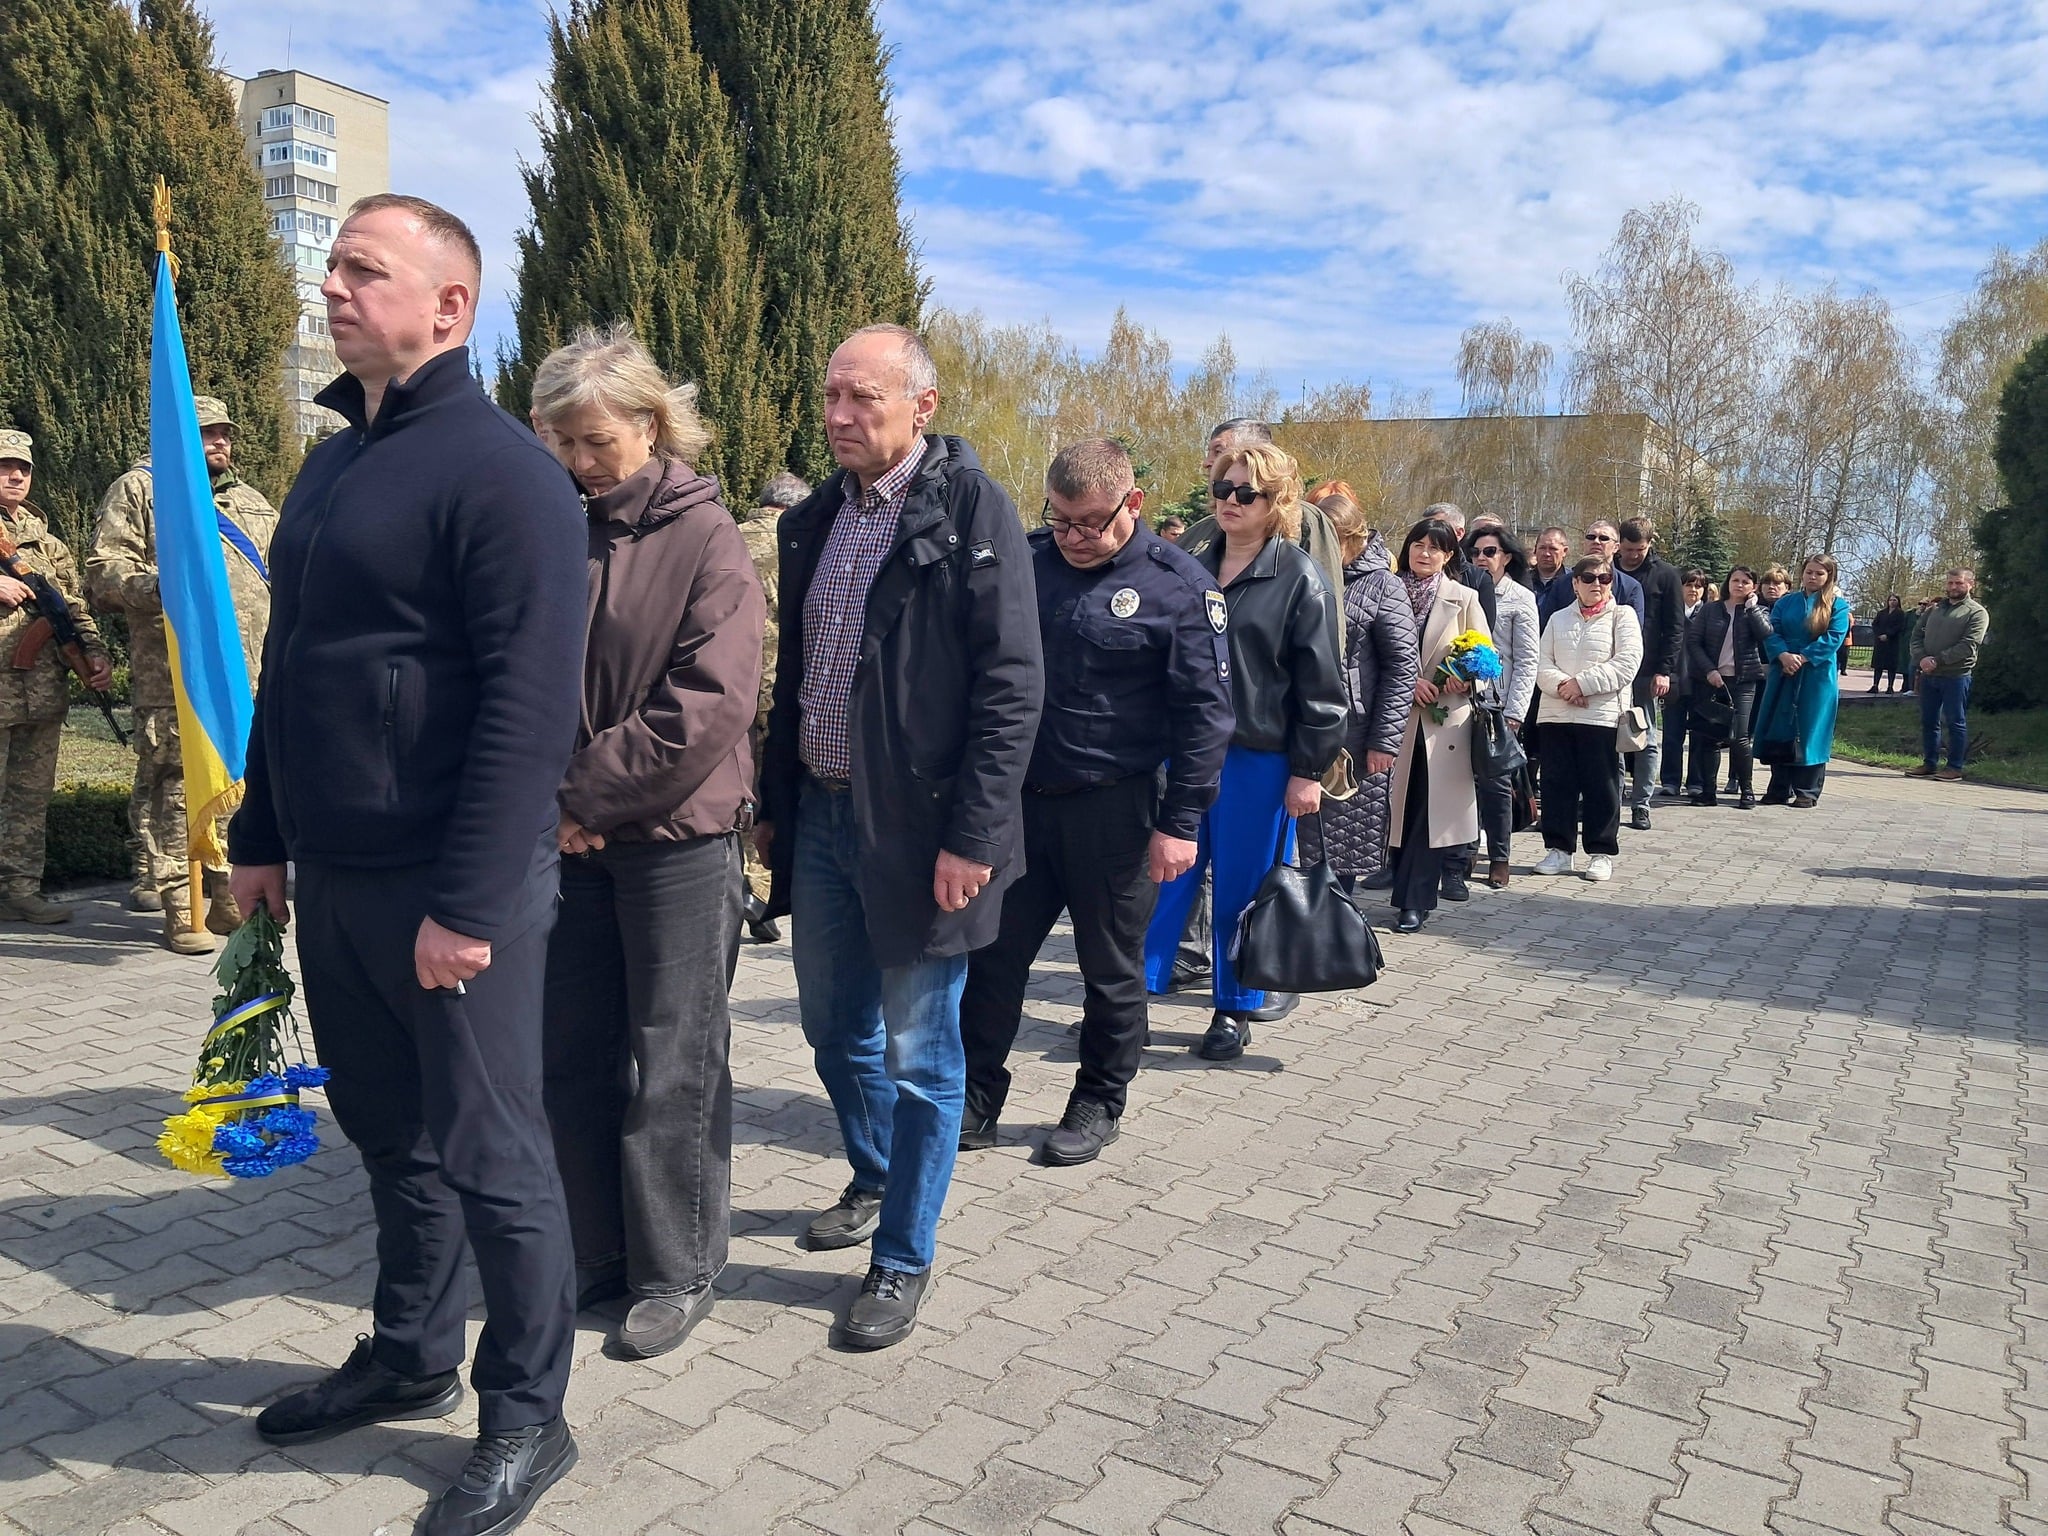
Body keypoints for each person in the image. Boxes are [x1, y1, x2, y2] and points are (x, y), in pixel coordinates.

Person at [227, 195, 587, 1535]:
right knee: (391, 1136)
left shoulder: (503, 474)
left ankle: (529, 1412)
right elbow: (293, 664)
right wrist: (262, 832)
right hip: (338, 875)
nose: (330, 286)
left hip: (454, 888)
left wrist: (470, 903)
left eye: (362, 269)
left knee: (495, 1155)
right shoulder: (332, 468)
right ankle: (410, 1353)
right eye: (331, 266)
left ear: (449, 306)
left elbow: (528, 708)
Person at [755, 324, 1043, 1351]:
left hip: (926, 833)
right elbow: (796, 679)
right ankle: (875, 1175)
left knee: (923, 1054)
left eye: (862, 398)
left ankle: (903, 1254)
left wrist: (974, 835)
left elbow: (1012, 686)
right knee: (834, 1028)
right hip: (823, 814)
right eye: (831, 395)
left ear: (921, 407)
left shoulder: (970, 510)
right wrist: (773, 800)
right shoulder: (815, 520)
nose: (838, 415)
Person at [528, 324, 765, 1361]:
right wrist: (549, 804)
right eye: (562, 441)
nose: (580, 461)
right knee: (572, 1053)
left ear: (650, 424)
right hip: (568, 841)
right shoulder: (548, 527)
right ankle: (596, 1249)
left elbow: (707, 703)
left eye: (596, 440)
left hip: (676, 841)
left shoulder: (706, 536)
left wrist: (583, 796)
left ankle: (677, 1267)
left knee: (675, 1058)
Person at [957, 440, 1232, 1164]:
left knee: (1110, 969)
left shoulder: (1178, 586)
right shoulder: (1026, 562)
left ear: (1132, 504)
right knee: (991, 960)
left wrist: (1181, 823)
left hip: (1116, 810)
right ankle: (976, 1097)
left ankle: (1099, 1099)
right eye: (1061, 519)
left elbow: (1206, 717)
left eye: (1090, 522)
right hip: (1019, 808)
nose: (1073, 536)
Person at [1142, 441, 1345, 1058]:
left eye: (1245, 492)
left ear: (1276, 501)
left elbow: (1322, 685)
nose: (1229, 501)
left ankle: (1234, 1007)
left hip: (1259, 757)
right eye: (1222, 489)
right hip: (1184, 749)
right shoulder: (1189, 565)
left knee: (1243, 886)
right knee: (1163, 878)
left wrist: (1308, 770)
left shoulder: (1299, 578)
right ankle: (1129, 1000)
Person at [88, 395, 278, 953]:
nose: (221, 442)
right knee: (175, 787)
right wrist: (160, 587)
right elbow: (103, 572)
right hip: (177, 676)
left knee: (237, 781)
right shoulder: (142, 490)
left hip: (246, 675)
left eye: (225, 432)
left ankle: (225, 888)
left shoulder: (250, 502)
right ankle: (180, 904)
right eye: (208, 432)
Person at [0, 430, 113, 924]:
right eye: (4, 466)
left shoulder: (47, 543)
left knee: (29, 800)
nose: (15, 475)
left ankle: (20, 890)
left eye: (23, 468)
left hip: (41, 693)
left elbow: (73, 607)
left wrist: (95, 655)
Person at [1303, 483, 1417, 894]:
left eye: (1328, 540)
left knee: (1341, 849)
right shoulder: (1303, 573)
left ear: (1352, 538)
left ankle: (1336, 926)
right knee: (1299, 850)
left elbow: (1402, 667)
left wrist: (1384, 741)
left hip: (1355, 735)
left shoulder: (1383, 585)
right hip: (1301, 728)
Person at [1384, 517, 1490, 933]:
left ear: (1448, 556)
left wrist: (1464, 677)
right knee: (1394, 806)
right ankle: (1393, 878)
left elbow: (1485, 657)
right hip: (1392, 717)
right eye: (1418, 545)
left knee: (1429, 812)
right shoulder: (1387, 588)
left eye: (1434, 548)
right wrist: (1406, 682)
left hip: (1440, 722)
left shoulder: (1463, 597)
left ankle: (1415, 900)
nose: (1424, 554)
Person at [1533, 557, 1643, 880]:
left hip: (1601, 717)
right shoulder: (1557, 618)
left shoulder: (1623, 616)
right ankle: (1559, 850)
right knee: (1556, 784)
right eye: (1589, 578)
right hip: (1556, 714)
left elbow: (1627, 662)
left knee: (1601, 786)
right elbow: (1541, 663)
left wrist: (1582, 684)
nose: (1597, 584)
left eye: (1604, 578)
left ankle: (1600, 852)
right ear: (1575, 583)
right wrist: (1563, 687)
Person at [738, 468, 810, 944]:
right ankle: (757, 897)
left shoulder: (728, 535)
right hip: (777, 694)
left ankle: (740, 888)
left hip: (725, 690)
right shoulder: (796, 542)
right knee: (769, 797)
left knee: (735, 790)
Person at [1175, 418, 1346, 606]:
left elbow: (1327, 604)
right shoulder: (1202, 530)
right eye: (1223, 489)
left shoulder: (1307, 521)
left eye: (1218, 451)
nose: (1206, 462)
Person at [1464, 526, 1538, 887]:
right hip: (1462, 698)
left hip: (1498, 704)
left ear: (1506, 557)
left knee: (1496, 785)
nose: (1481, 558)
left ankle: (1499, 857)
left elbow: (1527, 660)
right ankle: (1464, 852)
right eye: (1475, 552)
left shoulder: (1519, 597)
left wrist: (1514, 713)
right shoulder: (1464, 590)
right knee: (1464, 784)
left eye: (1490, 552)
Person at [1754, 554, 1850, 808]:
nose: (1813, 577)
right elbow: (1771, 631)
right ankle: (1779, 788)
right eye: (1809, 572)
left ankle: (1807, 790)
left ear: (1829, 576)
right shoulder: (1786, 602)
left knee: (1811, 729)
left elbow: (1834, 637)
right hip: (1784, 671)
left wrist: (1805, 657)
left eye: (1819, 573)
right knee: (1781, 726)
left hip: (1816, 675)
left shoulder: (1837, 605)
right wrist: (1783, 655)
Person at [1684, 565, 1774, 809]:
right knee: (1709, 737)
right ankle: (1708, 792)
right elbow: (1694, 642)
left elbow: (1765, 634)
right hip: (1711, 681)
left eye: (1745, 582)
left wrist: (1752, 608)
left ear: (1754, 587)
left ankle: (1747, 791)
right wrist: (1709, 670)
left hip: (1743, 683)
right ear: (1728, 583)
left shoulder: (1758, 611)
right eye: (1735, 580)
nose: (1739, 585)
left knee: (1739, 737)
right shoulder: (1711, 610)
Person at [1614, 519, 1682, 829]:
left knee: (1645, 737)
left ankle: (1641, 804)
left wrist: (1664, 670)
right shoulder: (1607, 572)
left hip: (1647, 669)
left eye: (1639, 550)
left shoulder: (1665, 575)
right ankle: (1613, 799)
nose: (1632, 556)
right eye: (1627, 549)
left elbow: (1675, 627)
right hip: (1611, 668)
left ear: (1650, 544)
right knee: (1612, 736)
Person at [1906, 569, 1989, 782]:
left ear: (1970, 584)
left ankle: (1954, 767)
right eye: (1950, 583)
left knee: (1955, 721)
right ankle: (1929, 763)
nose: (1953, 587)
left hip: (1956, 676)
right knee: (1928, 721)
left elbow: (1968, 645)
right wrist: (1922, 658)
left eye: (1959, 583)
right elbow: (1916, 636)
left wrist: (1938, 660)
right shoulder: (1934, 610)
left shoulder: (1976, 613)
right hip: (1928, 675)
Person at [1659, 567, 1708, 800]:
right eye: (1689, 584)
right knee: (1672, 735)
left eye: (1698, 586)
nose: (1693, 590)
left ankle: (1696, 782)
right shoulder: (1671, 612)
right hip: (1674, 681)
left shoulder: (1709, 613)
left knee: (1699, 736)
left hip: (1701, 683)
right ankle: (1670, 780)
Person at [1869, 594, 1908, 693]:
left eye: (1894, 600)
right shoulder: (1882, 613)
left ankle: (1890, 686)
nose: (1892, 602)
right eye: (1890, 600)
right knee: (1878, 665)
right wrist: (1879, 634)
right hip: (1880, 642)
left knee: (1891, 666)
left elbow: (1900, 627)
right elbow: (1875, 624)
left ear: (1898, 602)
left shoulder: (1900, 614)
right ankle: (1875, 685)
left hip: (1892, 642)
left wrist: (1888, 635)